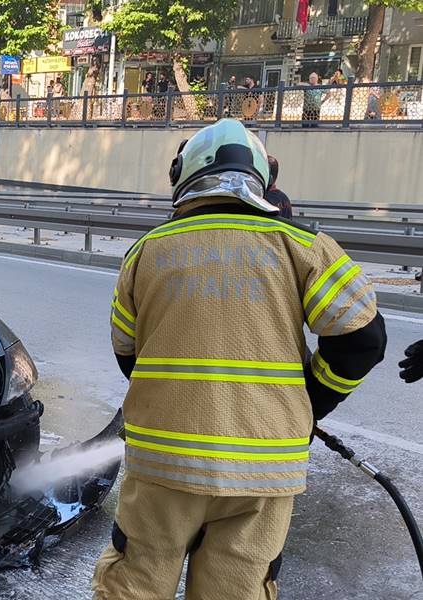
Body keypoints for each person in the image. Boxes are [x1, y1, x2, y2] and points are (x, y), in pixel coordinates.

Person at [92, 118, 386, 599]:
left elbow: (127, 352)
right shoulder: (304, 246)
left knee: (135, 583)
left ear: (181, 177)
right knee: (238, 589)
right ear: (262, 180)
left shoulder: (147, 251)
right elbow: (362, 340)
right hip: (264, 469)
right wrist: (308, 402)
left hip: (162, 464)